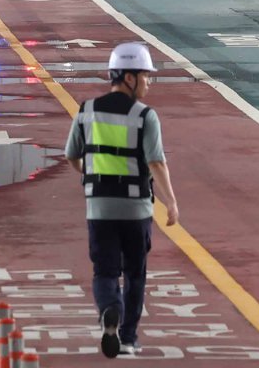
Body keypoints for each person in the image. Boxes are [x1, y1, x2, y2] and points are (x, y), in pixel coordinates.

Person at [65, 42, 180, 358]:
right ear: (129, 77)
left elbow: (72, 155)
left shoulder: (87, 111)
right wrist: (170, 201)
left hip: (99, 206)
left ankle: (109, 311)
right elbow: (156, 162)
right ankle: (127, 337)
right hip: (136, 209)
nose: (148, 82)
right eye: (145, 75)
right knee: (134, 273)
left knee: (104, 271)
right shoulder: (145, 116)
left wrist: (91, 175)